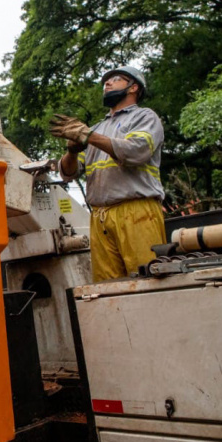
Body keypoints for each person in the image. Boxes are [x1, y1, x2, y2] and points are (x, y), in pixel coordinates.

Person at [50, 66, 166, 282]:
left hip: (137, 212)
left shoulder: (145, 117)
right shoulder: (97, 128)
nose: (107, 83)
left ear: (134, 87)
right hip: (100, 217)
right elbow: (68, 173)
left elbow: (136, 151)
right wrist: (72, 151)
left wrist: (88, 136)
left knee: (148, 280)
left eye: (116, 79)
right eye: (106, 81)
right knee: (108, 287)